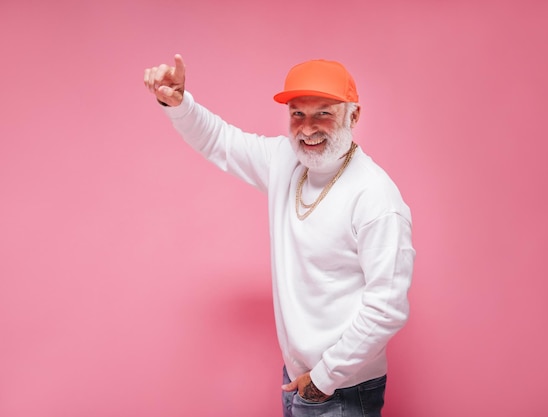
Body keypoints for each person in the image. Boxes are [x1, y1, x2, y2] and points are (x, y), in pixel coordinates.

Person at [143, 54, 415, 417]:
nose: (306, 128)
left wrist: (323, 379)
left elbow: (387, 308)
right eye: (297, 114)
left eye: (323, 113)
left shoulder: (376, 198)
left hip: (343, 390)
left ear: (354, 115)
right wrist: (177, 103)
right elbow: (221, 141)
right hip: (300, 380)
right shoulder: (286, 160)